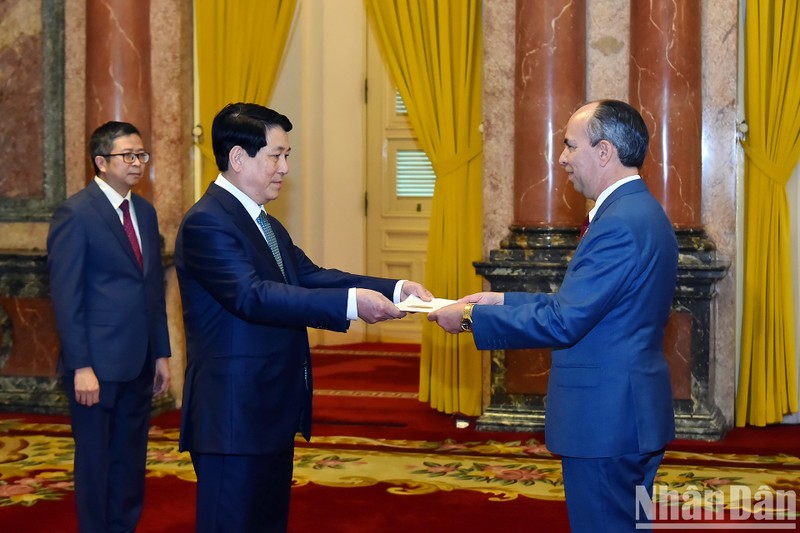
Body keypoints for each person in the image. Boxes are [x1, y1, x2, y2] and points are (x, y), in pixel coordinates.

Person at [175, 102, 432, 533]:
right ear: (238, 158)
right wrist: (353, 305)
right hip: (233, 419)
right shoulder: (207, 223)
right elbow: (251, 297)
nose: (285, 168)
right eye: (276, 155)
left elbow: (310, 277)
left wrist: (393, 289)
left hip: (271, 410)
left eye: (286, 155)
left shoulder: (265, 224)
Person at [429, 99, 678, 532]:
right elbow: (582, 307)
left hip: (607, 420)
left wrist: (469, 318)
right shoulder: (642, 211)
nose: (561, 158)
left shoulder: (620, 223)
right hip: (628, 414)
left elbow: (565, 321)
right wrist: (500, 301)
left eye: (570, 145)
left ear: (604, 152)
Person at [47, 121, 171, 533]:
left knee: (130, 460)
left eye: (142, 155)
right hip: (95, 366)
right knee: (96, 462)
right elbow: (68, 297)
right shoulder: (76, 213)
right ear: (101, 162)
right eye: (128, 156)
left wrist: (162, 353)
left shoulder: (146, 212)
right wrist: (80, 366)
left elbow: (152, 288)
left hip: (138, 361)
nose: (138, 163)